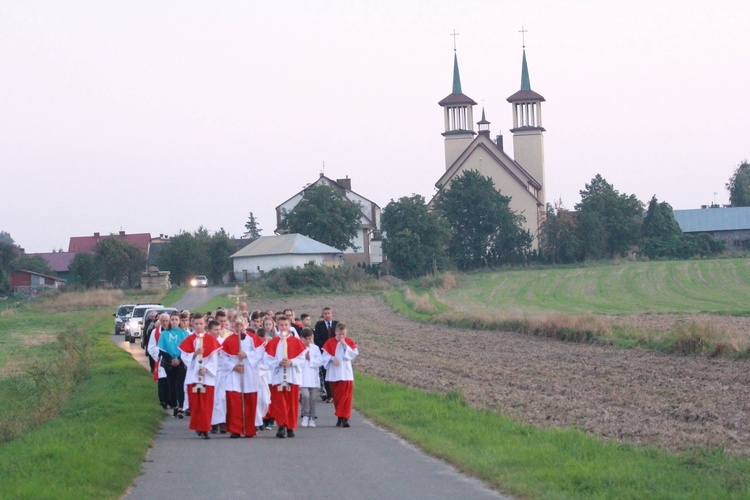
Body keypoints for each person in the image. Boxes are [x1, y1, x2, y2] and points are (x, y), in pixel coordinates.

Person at [221, 320, 266, 438]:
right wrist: (233, 366)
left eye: (240, 324)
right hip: (234, 375)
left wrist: (246, 355)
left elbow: (260, 353)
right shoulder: (229, 340)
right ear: (232, 325)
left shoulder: (252, 338)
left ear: (245, 325)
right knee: (234, 402)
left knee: (249, 402)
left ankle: (248, 429)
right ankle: (235, 429)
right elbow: (222, 358)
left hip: (249, 374)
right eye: (236, 325)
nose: (238, 327)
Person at [263, 316, 307, 438]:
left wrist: (291, 362)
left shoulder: (296, 342)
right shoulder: (273, 343)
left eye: (286, 325)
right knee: (279, 403)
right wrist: (278, 363)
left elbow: (302, 360)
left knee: (292, 403)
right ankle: (281, 425)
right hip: (278, 378)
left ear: (289, 326)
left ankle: (290, 427)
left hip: (292, 377)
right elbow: (267, 360)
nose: (283, 327)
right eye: (281, 325)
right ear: (277, 325)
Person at [179, 314, 221, 439]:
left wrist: (206, 369)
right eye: (196, 324)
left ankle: (206, 428)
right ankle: (198, 427)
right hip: (193, 376)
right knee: (196, 404)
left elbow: (214, 359)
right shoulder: (190, 339)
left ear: (205, 324)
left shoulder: (211, 340)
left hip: (207, 377)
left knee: (206, 404)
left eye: (201, 324)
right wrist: (194, 353)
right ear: (192, 324)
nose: (199, 326)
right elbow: (184, 357)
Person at [321, 323, 359, 428]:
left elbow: (353, 354)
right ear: (335, 332)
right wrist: (332, 358)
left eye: (343, 334)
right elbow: (324, 356)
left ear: (346, 333)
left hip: (346, 374)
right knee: (337, 397)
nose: (341, 336)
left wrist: (344, 345)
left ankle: (345, 418)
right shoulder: (330, 342)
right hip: (334, 374)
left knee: (346, 397)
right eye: (339, 334)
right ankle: (339, 418)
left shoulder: (349, 342)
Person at [158, 312, 189, 418]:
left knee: (180, 385)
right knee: (172, 385)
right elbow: (162, 349)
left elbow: (187, 349)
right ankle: (174, 406)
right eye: (173, 320)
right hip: (169, 363)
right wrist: (171, 359)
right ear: (170, 321)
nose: (174, 322)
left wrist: (179, 360)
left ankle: (181, 407)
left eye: (176, 319)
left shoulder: (184, 333)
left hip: (181, 363)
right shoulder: (165, 334)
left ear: (179, 321)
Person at [299, 328, 323, 428]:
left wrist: (310, 359)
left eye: (310, 338)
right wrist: (304, 358)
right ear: (302, 339)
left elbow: (320, 361)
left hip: (313, 377)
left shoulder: (315, 348)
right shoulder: (299, 348)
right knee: (305, 396)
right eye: (307, 339)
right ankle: (305, 415)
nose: (309, 341)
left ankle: (312, 417)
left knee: (313, 398)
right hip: (303, 377)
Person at [147, 313, 171, 409]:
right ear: (160, 322)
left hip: (171, 359)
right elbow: (151, 347)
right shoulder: (155, 332)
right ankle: (163, 400)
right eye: (163, 321)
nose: (165, 323)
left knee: (171, 381)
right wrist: (160, 353)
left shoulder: (172, 332)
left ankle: (171, 399)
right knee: (162, 381)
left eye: (166, 321)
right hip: (161, 359)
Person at [314, 307, 338, 402]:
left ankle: (336, 393)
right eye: (325, 313)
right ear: (322, 315)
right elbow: (317, 340)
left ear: (332, 314)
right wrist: (327, 346)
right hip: (324, 352)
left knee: (336, 373)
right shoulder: (319, 325)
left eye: (329, 313)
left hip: (336, 352)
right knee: (326, 373)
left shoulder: (336, 324)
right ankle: (330, 395)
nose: (327, 315)